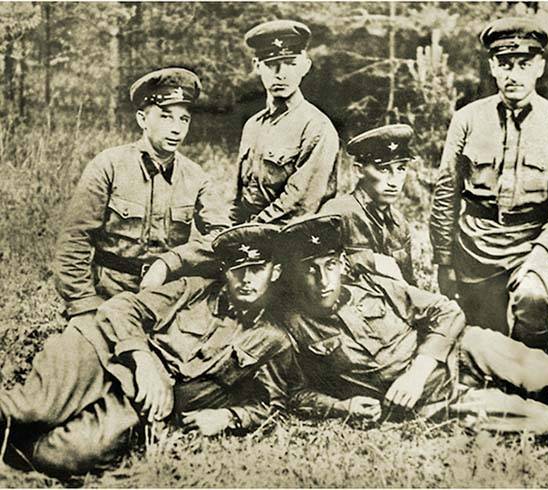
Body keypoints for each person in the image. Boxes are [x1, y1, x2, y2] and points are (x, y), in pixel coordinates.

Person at [1, 224, 293, 476]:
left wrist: (227, 418)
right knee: (29, 409)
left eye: (257, 269)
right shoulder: (195, 289)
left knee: (63, 455)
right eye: (238, 270)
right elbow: (121, 307)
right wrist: (144, 362)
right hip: (103, 351)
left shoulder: (273, 339)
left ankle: (11, 454)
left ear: (275, 272)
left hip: (143, 404)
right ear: (224, 270)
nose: (247, 280)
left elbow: (272, 406)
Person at [278, 214, 548, 441]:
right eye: (310, 270)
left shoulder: (372, 285)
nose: (324, 280)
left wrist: (418, 371)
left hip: (459, 351)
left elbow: (446, 309)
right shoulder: (292, 326)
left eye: (330, 265)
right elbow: (295, 393)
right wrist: (343, 407)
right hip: (438, 402)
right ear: (294, 274)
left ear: (342, 264)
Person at [429, 18, 548, 357]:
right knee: (484, 345)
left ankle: (541, 368)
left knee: (532, 299)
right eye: (504, 64)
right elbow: (446, 192)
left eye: (524, 64)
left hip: (532, 244)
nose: (513, 75)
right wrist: (444, 260)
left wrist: (542, 254)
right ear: (492, 66)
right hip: (475, 248)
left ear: (540, 66)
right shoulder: (467, 119)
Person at [140, 20, 340, 289]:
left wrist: (237, 237)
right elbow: (240, 200)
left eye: (290, 64)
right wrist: (224, 231)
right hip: (250, 243)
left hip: (293, 249)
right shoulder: (253, 126)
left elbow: (298, 208)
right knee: (181, 285)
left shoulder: (317, 127)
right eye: (271, 65)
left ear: (305, 66)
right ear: (257, 66)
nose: (280, 74)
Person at [53, 67, 226, 330]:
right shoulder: (108, 166)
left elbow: (223, 239)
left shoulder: (195, 176)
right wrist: (84, 305)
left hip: (165, 301)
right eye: (166, 117)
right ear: (142, 119)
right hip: (108, 295)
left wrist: (169, 263)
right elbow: (74, 241)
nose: (176, 129)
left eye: (184, 119)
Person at [321, 124, 415, 284]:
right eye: (384, 169)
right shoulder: (336, 214)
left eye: (401, 168)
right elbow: (319, 279)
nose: (394, 181)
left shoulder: (400, 224)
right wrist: (369, 261)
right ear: (359, 170)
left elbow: (409, 285)